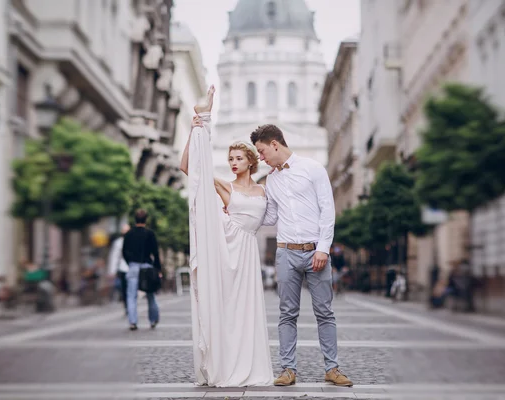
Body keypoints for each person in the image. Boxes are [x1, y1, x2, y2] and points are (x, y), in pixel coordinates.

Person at [181, 85, 273, 387]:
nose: (233, 162)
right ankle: (223, 364)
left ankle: (247, 364)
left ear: (250, 161)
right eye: (230, 158)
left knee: (245, 313)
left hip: (247, 254)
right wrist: (198, 128)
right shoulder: (225, 186)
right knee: (225, 309)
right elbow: (188, 168)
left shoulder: (264, 189)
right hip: (225, 251)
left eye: (238, 158)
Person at [251, 125, 353, 387]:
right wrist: (245, 211)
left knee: (325, 312)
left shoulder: (313, 169)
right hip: (286, 253)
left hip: (315, 252)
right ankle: (288, 369)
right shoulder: (271, 179)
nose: (260, 157)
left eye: (262, 151)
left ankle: (332, 368)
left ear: (274, 144)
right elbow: (271, 216)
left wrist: (323, 248)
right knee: (287, 313)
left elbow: (327, 210)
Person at [122, 209, 162, 331]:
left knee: (131, 296)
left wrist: (130, 263)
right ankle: (153, 320)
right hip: (147, 267)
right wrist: (158, 269)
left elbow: (124, 251)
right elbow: (155, 253)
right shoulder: (150, 234)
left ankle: (133, 322)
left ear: (135, 219)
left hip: (133, 267)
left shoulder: (129, 234)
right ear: (146, 219)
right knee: (150, 295)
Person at [107, 224, 130, 313]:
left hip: (133, 268)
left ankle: (130, 305)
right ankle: (127, 305)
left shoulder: (134, 241)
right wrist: (112, 271)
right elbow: (114, 257)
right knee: (124, 289)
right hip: (123, 269)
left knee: (132, 289)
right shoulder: (118, 242)